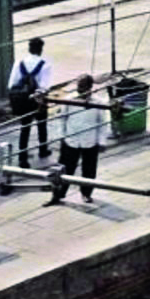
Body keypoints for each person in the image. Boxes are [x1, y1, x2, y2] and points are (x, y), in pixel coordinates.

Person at [47, 75, 105, 205]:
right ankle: (58, 194)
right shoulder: (69, 100)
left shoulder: (98, 102)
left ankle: (86, 193)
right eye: (79, 86)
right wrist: (61, 136)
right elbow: (62, 119)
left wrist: (102, 142)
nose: (80, 89)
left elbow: (102, 123)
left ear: (90, 87)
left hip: (90, 141)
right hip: (71, 140)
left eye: (83, 86)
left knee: (89, 169)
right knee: (64, 169)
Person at [7, 37, 51, 169]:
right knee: (42, 125)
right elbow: (45, 86)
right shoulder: (45, 64)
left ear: (29, 49)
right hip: (38, 100)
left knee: (25, 128)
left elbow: (11, 84)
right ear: (41, 49)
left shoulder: (19, 63)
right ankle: (43, 150)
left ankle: (22, 158)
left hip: (24, 100)